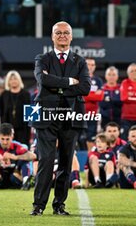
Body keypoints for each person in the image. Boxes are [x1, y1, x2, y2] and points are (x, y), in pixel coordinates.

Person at [29, 21, 91, 216]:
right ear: (52, 36)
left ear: (71, 37)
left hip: (71, 117)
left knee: (65, 162)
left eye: (66, 33)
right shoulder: (42, 58)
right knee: (46, 161)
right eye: (58, 33)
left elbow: (86, 88)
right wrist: (69, 83)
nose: (62, 36)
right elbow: (42, 80)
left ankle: (59, 205)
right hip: (45, 116)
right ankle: (38, 206)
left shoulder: (80, 61)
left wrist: (55, 85)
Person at [0, 123, 36, 190]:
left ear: (12, 137)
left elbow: (33, 156)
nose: (5, 142)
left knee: (24, 159)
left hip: (14, 178)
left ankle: (26, 182)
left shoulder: (17, 147)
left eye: (7, 139)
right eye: (2, 139)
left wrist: (16, 157)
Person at [0, 70, 31, 147]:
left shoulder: (26, 94)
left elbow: (30, 113)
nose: (13, 81)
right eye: (11, 79)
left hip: (23, 129)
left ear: (19, 80)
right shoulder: (4, 95)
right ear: (8, 81)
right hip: (8, 130)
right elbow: (1, 112)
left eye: (15, 79)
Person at [83, 58, 104, 150]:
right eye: (88, 64)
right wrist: (93, 95)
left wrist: (86, 94)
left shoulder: (98, 81)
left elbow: (100, 97)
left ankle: (89, 159)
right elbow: (78, 95)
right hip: (78, 113)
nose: (90, 67)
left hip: (92, 114)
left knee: (91, 138)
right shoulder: (77, 78)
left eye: (92, 65)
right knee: (77, 137)